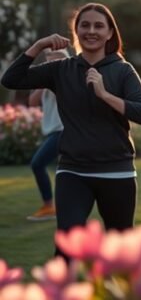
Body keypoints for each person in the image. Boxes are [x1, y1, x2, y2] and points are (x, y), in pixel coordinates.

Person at [1, 2, 141, 258]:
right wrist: (39, 46)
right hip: (73, 172)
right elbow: (11, 79)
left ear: (109, 33)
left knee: (121, 256)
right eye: (84, 25)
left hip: (117, 173)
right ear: (76, 31)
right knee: (66, 251)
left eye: (98, 26)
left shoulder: (123, 70)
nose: (91, 31)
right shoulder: (62, 69)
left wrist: (105, 94)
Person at [25, 48, 69, 221]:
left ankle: (49, 206)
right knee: (64, 170)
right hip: (53, 131)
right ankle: (57, 207)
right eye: (48, 56)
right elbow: (32, 102)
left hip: (63, 131)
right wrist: (43, 82)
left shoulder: (66, 76)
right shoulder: (45, 79)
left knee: (37, 164)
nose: (49, 59)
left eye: (53, 56)